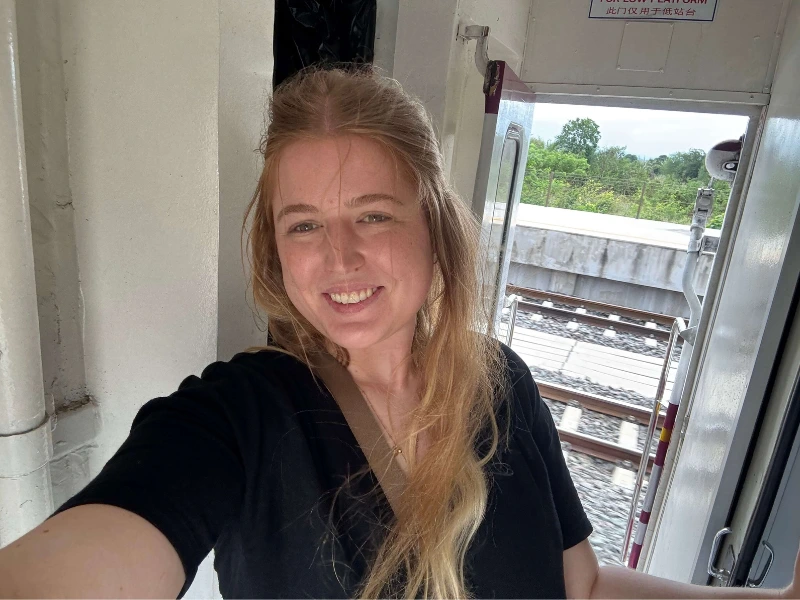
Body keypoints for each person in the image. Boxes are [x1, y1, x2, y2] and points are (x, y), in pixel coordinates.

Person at [0, 66, 797, 600]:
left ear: (433, 227)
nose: (339, 257)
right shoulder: (239, 416)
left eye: (374, 216)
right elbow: (103, 547)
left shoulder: (503, 386)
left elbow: (581, 586)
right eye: (303, 224)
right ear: (275, 249)